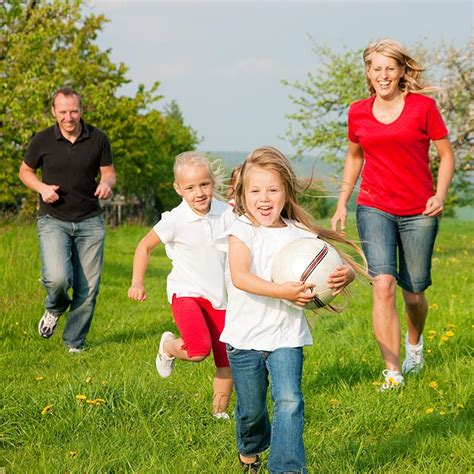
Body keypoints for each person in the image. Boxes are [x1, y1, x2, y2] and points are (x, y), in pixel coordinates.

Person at [219, 146, 366, 473]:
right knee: (252, 412)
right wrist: (282, 291)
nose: (264, 198)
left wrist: (347, 274)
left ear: (286, 191)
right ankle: (250, 448)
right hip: (244, 340)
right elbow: (241, 277)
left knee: (290, 401)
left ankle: (286, 468)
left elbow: (336, 263)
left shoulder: (300, 233)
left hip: (286, 336)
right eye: (255, 191)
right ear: (243, 194)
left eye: (272, 190)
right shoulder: (241, 229)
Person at [331, 38, 455, 391]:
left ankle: (414, 344)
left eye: (390, 68)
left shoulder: (423, 108)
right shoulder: (357, 111)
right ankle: (393, 371)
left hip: (420, 210)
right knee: (382, 284)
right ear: (368, 73)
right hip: (373, 205)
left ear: (402, 71)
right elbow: (355, 156)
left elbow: (446, 155)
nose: (383, 75)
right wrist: (343, 201)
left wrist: (439, 194)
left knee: (414, 294)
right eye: (376, 69)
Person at [128, 151, 235, 418]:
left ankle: (218, 413)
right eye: (190, 187)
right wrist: (137, 283)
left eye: (204, 185)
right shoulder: (174, 219)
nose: (198, 193)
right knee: (199, 350)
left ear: (212, 183)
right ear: (178, 189)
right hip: (185, 292)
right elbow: (144, 246)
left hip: (220, 297)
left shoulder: (227, 213)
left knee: (227, 362)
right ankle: (167, 347)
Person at [19, 87, 116, 353]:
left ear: (81, 110)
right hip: (53, 219)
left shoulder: (98, 138)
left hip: (90, 221)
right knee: (58, 279)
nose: (68, 117)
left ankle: (74, 343)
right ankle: (56, 305)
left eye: (73, 110)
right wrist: (42, 188)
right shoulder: (41, 140)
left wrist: (107, 184)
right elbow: (25, 172)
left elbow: (108, 172)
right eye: (62, 111)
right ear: (54, 112)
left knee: (88, 287)